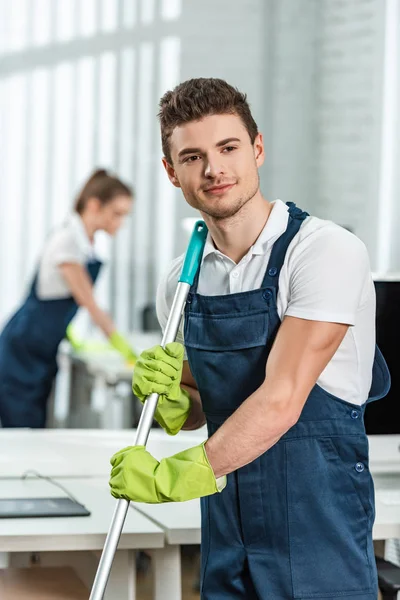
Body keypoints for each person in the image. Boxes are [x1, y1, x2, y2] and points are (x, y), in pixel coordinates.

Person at [109, 79, 391, 599]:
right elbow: (205, 408)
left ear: (257, 149)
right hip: (227, 532)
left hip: (316, 532)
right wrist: (178, 396)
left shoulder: (323, 252)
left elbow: (282, 400)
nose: (214, 169)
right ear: (172, 172)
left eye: (228, 148)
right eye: (192, 156)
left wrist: (173, 475)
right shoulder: (180, 283)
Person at [0, 168, 136, 429]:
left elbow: (61, 299)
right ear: (95, 205)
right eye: (117, 214)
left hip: (41, 346)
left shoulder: (83, 242)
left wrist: (70, 333)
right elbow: (89, 302)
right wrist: (124, 348)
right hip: (24, 348)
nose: (120, 223)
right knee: (22, 429)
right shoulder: (68, 242)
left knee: (34, 422)